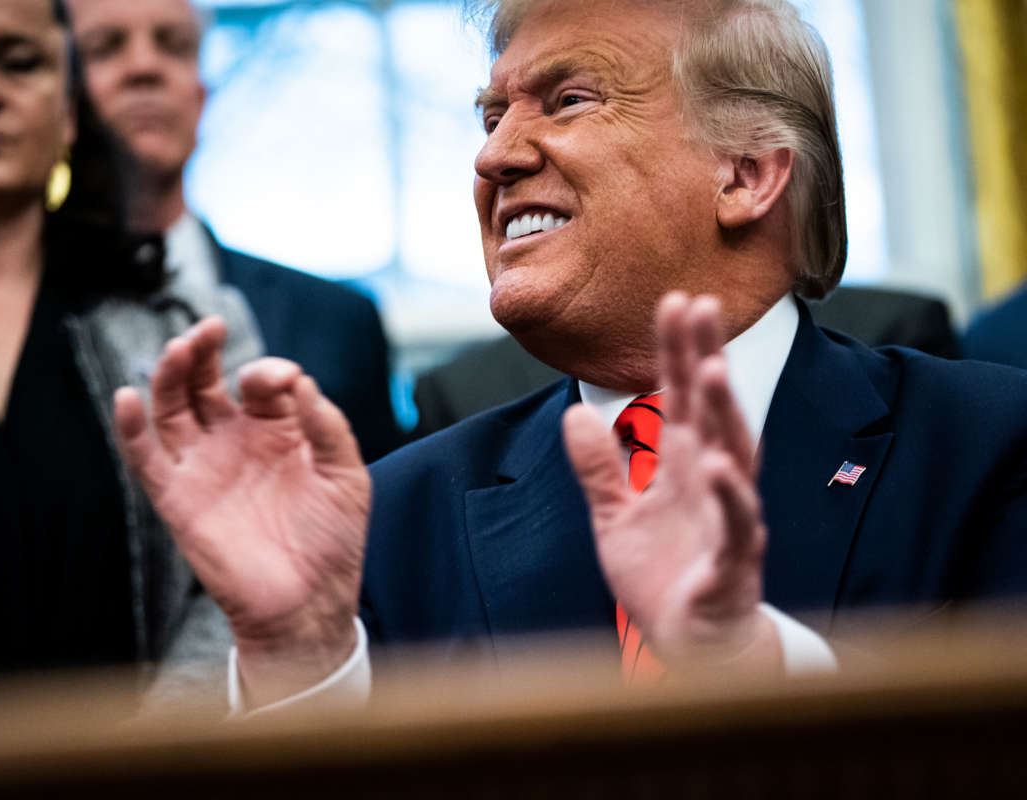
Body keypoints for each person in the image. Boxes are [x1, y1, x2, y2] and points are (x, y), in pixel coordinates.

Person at [113, 0, 1027, 709]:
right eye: (489, 118)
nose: (497, 156)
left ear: (747, 173)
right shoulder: (391, 518)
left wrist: (743, 659)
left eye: (569, 100)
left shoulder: (990, 447)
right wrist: (298, 662)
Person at [0, 0, 262, 733]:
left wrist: (148, 760)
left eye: (21, 61)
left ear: (66, 115)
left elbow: (246, 572)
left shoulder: (192, 328)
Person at [66, 0, 405, 464]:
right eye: (106, 48)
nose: (144, 67)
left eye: (174, 45)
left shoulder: (339, 323)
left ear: (201, 96)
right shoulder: (10, 317)